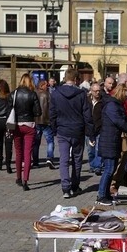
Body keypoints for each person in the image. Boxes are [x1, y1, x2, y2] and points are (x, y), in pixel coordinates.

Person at [96, 83, 127, 206]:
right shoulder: (112, 106)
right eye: (126, 96)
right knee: (108, 170)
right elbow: (121, 123)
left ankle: (106, 194)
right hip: (109, 141)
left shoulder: (117, 106)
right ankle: (101, 195)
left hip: (113, 140)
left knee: (112, 169)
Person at [49, 68, 93, 199]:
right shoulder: (81, 94)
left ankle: (65, 188)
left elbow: (52, 113)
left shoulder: (56, 93)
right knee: (77, 159)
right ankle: (75, 185)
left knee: (63, 159)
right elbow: (87, 115)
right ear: (75, 79)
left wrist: (54, 128)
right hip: (77, 130)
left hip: (62, 130)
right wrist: (90, 133)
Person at [9, 73, 41, 191]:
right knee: (28, 153)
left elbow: (9, 110)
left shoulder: (14, 94)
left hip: (16, 125)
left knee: (18, 152)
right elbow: (38, 112)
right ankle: (25, 180)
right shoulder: (32, 94)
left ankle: (18, 177)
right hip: (29, 126)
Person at [33, 79, 56, 170]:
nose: (47, 86)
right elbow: (51, 109)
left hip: (37, 121)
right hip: (46, 122)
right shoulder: (48, 95)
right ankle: (49, 158)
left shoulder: (34, 94)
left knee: (36, 143)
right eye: (46, 85)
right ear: (42, 85)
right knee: (50, 141)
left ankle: (35, 161)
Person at [87, 82, 103, 176]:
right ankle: (92, 165)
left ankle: (97, 167)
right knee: (90, 150)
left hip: (99, 128)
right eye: (95, 91)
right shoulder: (86, 101)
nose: (97, 93)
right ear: (91, 91)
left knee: (98, 149)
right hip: (88, 129)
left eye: (99, 91)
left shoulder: (102, 101)